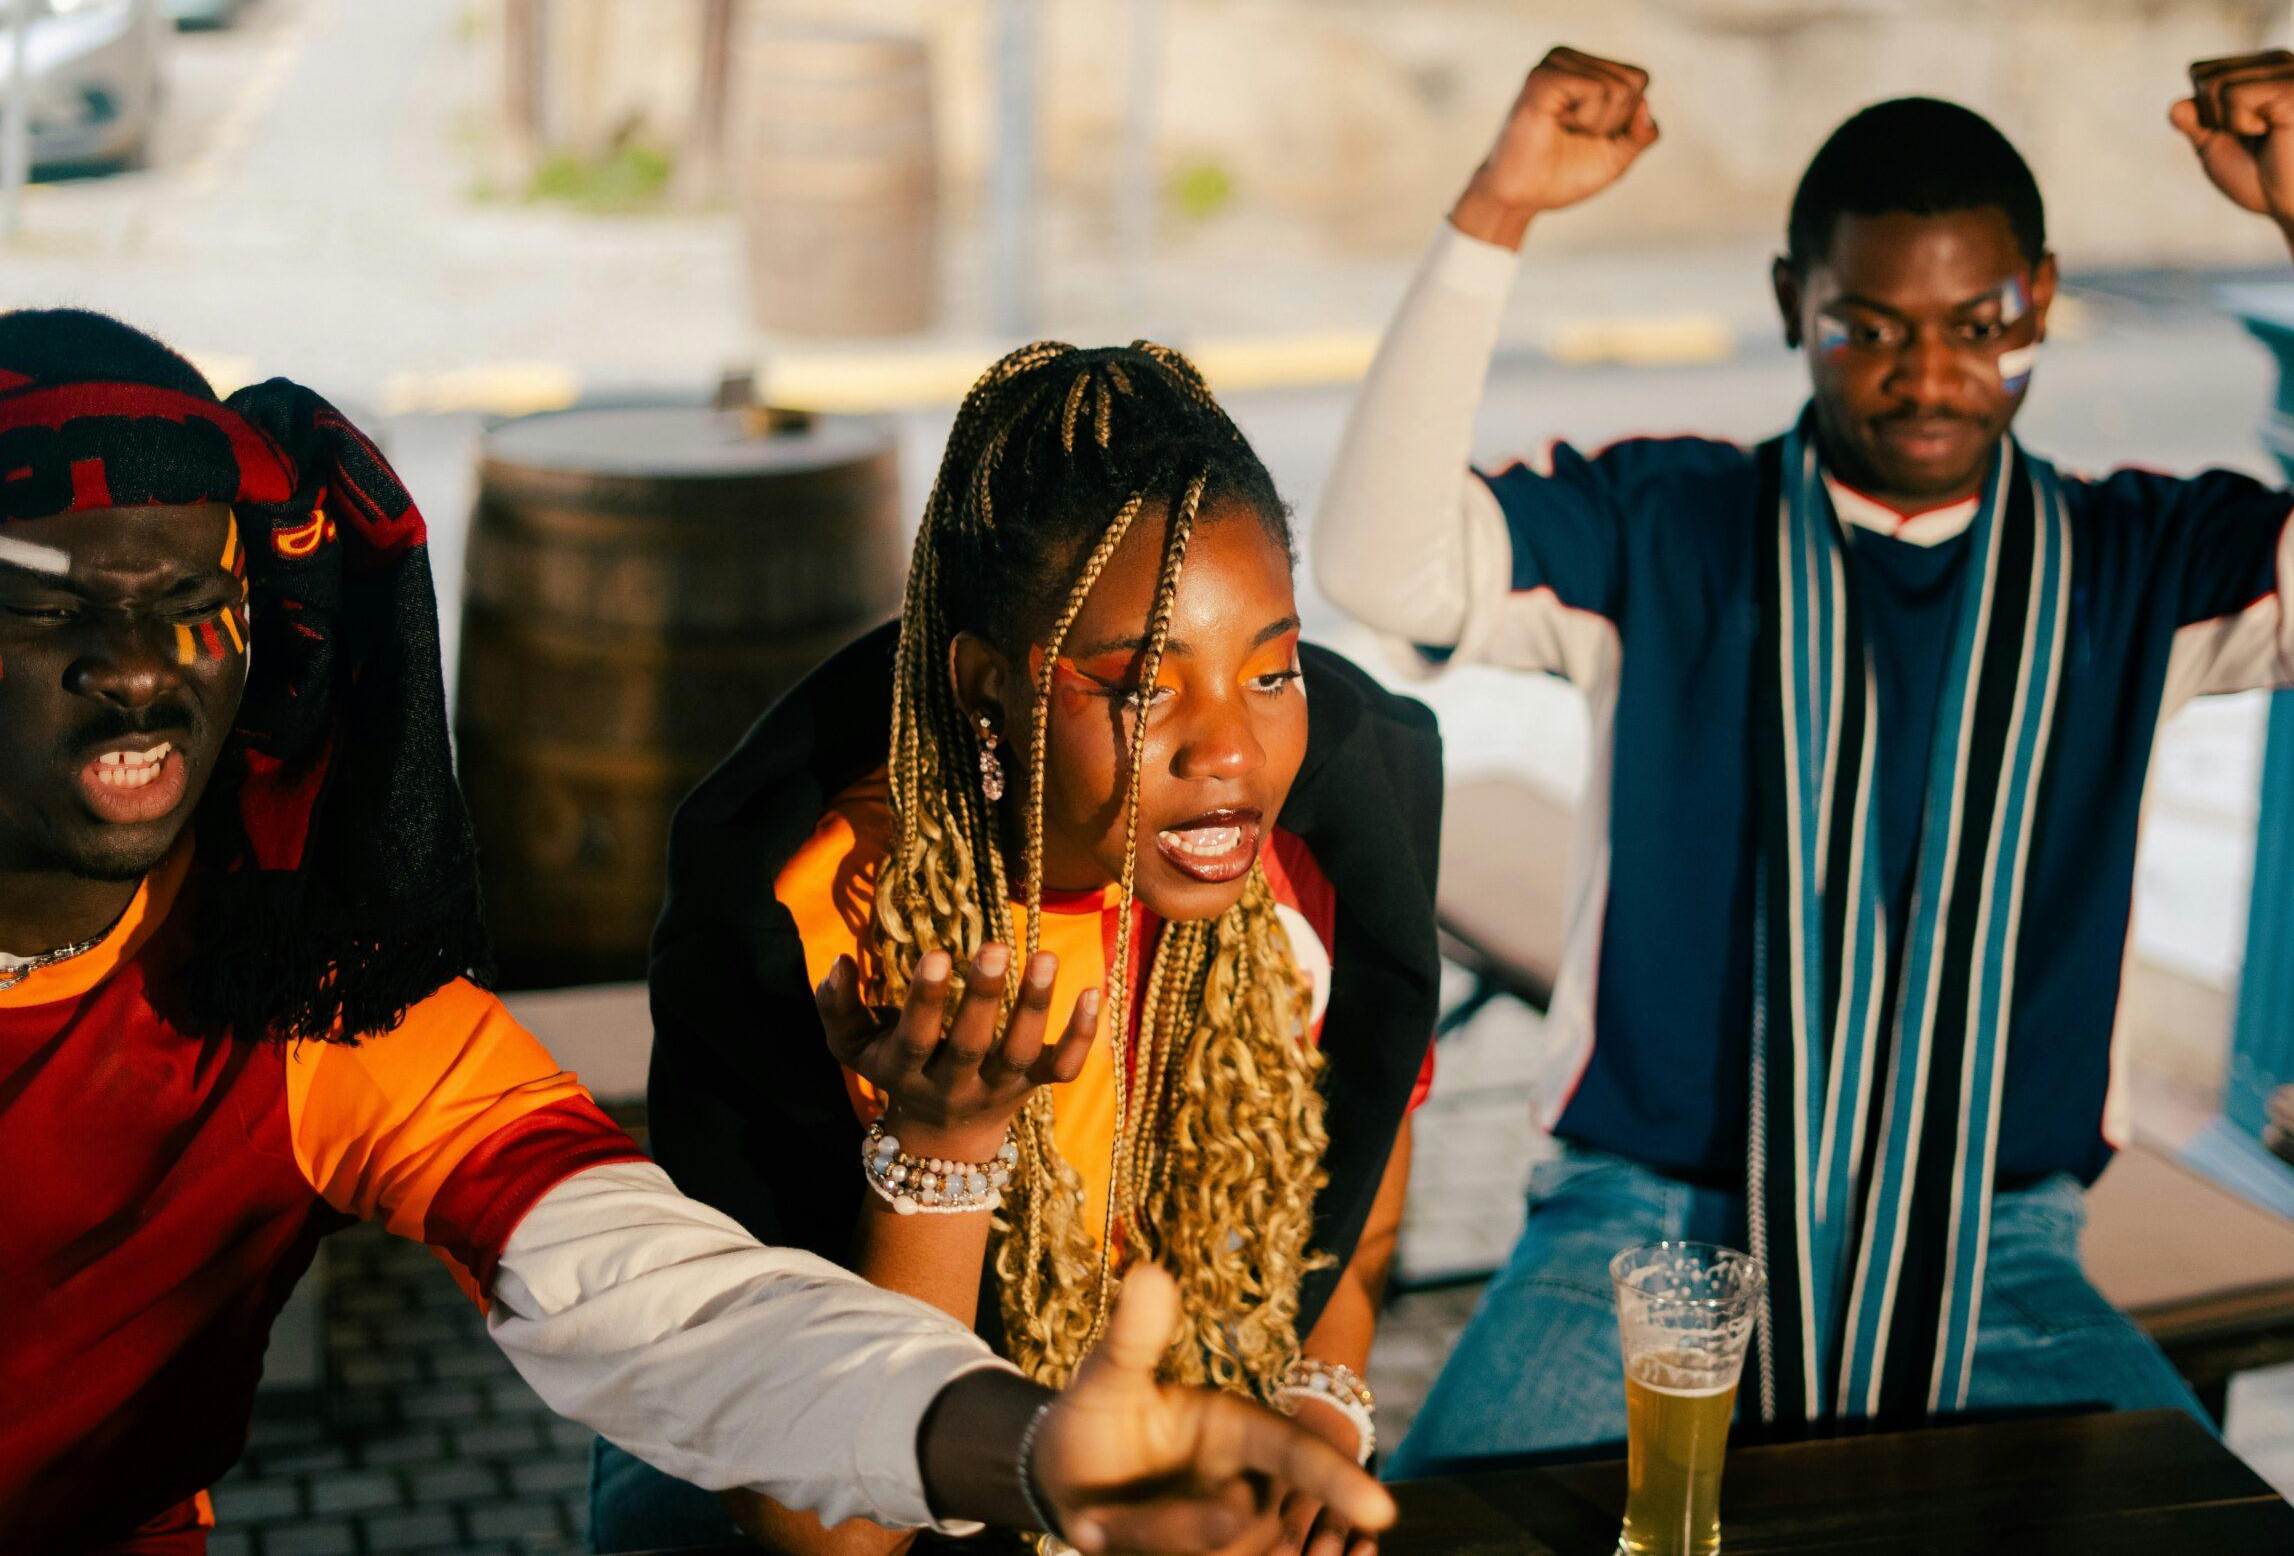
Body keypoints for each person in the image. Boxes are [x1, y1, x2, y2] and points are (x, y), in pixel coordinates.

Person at [0, 318, 1398, 1556]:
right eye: (47, 604)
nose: (134, 665)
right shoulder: (813, 906)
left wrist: (1028, 1449)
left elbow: (667, 1304)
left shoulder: (310, 1014)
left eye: (190, 604)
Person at [1315, 47, 2294, 1467]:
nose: (1930, 372)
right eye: (1868, 325)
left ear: (2042, 300)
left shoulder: (2138, 563)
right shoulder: (1671, 528)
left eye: (1980, 321)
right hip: (1651, 1226)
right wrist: (1497, 208)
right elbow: (1379, 562)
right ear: (1790, 307)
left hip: (1998, 1255)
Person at [603, 341, 1445, 1554]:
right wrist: (940, 1147)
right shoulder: (815, 920)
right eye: (1147, 684)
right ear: (989, 685)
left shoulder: (1331, 840)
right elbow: (820, 1528)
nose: (1233, 750)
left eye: (1272, 671)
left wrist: (1320, 1406)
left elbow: (1355, 1214)